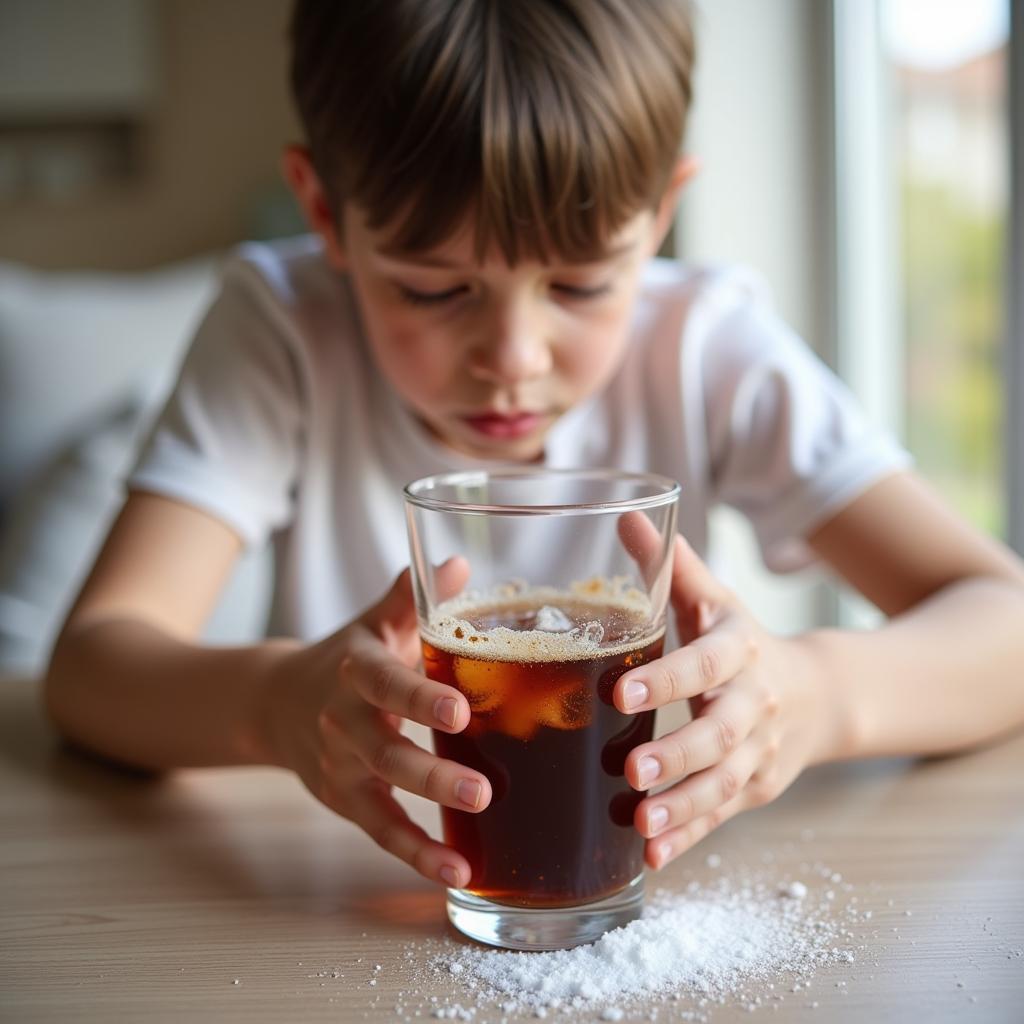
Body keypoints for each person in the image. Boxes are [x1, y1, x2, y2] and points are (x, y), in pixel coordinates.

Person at [44, 0, 1024, 894]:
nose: (512, 360)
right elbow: (91, 670)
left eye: (582, 285)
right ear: (323, 212)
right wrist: (276, 704)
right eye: (433, 289)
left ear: (660, 219)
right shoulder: (281, 329)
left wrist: (818, 695)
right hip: (337, 899)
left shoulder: (709, 342)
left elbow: (1005, 625)